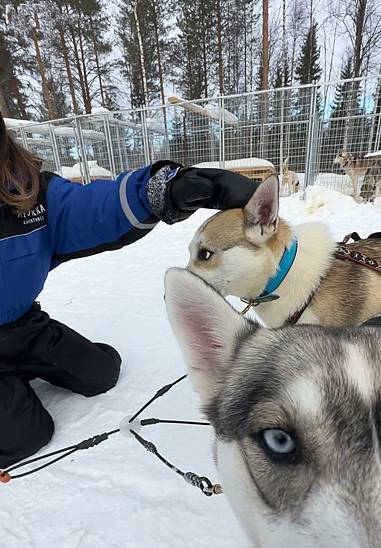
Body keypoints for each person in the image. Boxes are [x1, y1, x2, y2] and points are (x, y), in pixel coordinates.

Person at [0, 112, 259, 469]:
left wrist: (167, 188)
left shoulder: (25, 192)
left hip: (21, 323)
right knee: (28, 435)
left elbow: (92, 208)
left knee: (102, 372)